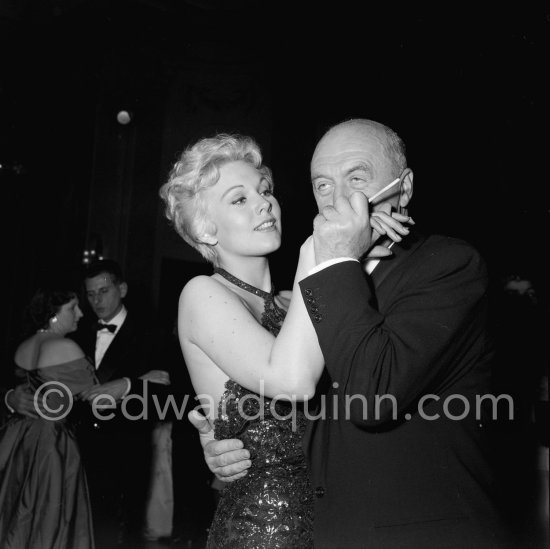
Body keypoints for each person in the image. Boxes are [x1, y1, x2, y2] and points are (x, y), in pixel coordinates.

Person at [190, 119, 511, 548]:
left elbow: (373, 395)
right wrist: (223, 433)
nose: (338, 198)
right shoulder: (316, 286)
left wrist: (333, 260)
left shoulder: (447, 265)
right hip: (314, 528)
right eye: (322, 185)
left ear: (405, 187)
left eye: (357, 178)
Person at [159, 133, 409, 548]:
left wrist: (365, 248)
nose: (265, 203)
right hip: (262, 528)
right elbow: (292, 381)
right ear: (204, 229)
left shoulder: (293, 302)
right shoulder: (201, 293)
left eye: (265, 190)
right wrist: (321, 247)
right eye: (239, 199)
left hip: (333, 521)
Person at [72, 259, 169, 545]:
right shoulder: (77, 334)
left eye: (103, 291)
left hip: (127, 448)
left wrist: (129, 385)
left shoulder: (151, 335)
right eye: (90, 294)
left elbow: (170, 392)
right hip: (80, 446)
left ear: (122, 289)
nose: (97, 300)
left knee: (124, 533)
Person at [0, 286, 96, 548]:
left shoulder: (24, 345)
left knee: (18, 509)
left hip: (17, 435)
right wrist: (140, 382)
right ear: (53, 314)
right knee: (49, 515)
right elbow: (98, 394)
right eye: (72, 308)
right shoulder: (64, 346)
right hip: (50, 441)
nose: (79, 314)